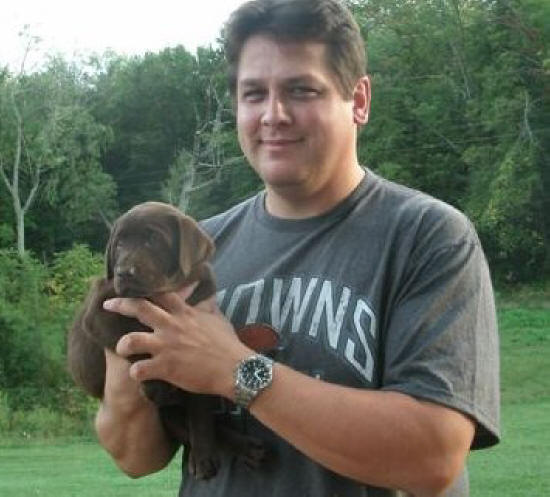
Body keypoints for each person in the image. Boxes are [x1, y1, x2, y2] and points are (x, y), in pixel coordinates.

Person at [95, 0, 500, 496]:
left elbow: (432, 456)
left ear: (359, 100)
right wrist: (123, 347)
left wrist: (234, 369)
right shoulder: (193, 256)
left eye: (301, 90)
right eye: (253, 94)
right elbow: (136, 456)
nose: (273, 115)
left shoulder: (427, 236)